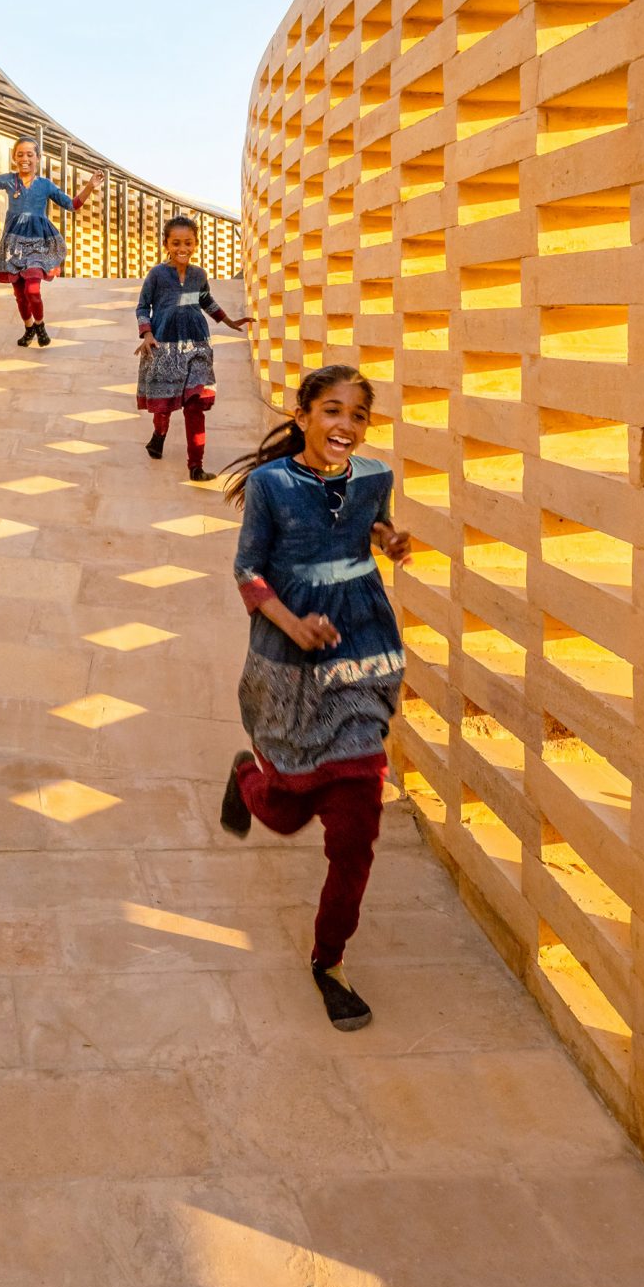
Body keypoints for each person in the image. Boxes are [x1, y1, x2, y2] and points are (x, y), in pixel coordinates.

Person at [218, 366, 410, 1030]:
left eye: (358, 415)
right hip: (289, 665)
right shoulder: (272, 486)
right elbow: (247, 571)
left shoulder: (375, 477)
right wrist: (293, 624)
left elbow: (373, 525)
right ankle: (248, 778)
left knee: (356, 825)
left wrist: (389, 539)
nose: (346, 425)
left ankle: (329, 961)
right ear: (301, 416)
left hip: (363, 652)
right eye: (332, 410)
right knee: (286, 811)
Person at [134, 215, 251, 482]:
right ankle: (158, 435)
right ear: (166, 244)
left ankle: (196, 466)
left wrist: (229, 321)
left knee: (195, 404)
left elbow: (205, 300)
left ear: (196, 244)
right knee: (163, 406)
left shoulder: (199, 275)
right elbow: (142, 306)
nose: (182, 248)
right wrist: (147, 333)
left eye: (188, 242)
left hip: (198, 346)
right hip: (164, 348)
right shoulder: (157, 275)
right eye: (176, 243)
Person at [0, 136, 97, 346]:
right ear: (14, 158)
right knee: (20, 294)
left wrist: (90, 186)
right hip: (13, 244)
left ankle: (40, 325)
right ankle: (29, 328)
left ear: (38, 158)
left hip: (37, 243)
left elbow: (72, 205)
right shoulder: (8, 180)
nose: (25, 159)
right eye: (20, 154)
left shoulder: (45, 185)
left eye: (30, 154)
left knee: (32, 289)